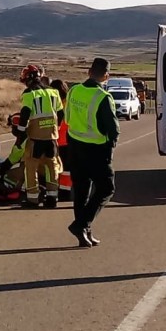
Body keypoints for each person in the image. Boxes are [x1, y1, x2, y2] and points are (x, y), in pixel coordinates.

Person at [65, 57, 119, 247]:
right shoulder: (103, 97)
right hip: (96, 150)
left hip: (74, 147)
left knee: (81, 192)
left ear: (89, 72)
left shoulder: (73, 90)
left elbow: (68, 118)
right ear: (106, 76)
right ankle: (81, 225)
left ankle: (84, 233)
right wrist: (110, 147)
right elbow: (113, 130)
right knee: (106, 189)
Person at [16, 64, 64, 208]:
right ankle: (52, 198)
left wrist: (20, 132)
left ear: (27, 79)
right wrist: (56, 127)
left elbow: (24, 114)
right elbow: (61, 113)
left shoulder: (29, 94)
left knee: (31, 168)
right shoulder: (54, 92)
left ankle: (33, 199)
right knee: (52, 167)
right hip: (51, 138)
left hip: (35, 139)